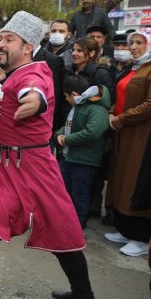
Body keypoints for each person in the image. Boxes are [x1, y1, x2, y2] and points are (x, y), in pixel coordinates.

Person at [0, 11, 94, 299]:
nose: (0, 44)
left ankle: (83, 294)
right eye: (0, 38)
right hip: (9, 168)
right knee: (57, 234)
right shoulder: (13, 73)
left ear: (27, 47)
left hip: (29, 171)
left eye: (9, 39)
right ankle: (83, 294)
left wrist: (34, 101)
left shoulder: (33, 74)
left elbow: (36, 92)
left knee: (60, 233)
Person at [105, 30, 151, 258]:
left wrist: (121, 119)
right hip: (123, 132)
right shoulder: (134, 68)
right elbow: (118, 96)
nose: (133, 47)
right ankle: (125, 229)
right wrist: (112, 113)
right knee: (122, 179)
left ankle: (141, 237)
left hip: (141, 136)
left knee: (135, 180)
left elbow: (150, 105)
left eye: (139, 42)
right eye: (131, 42)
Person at [56, 75, 110, 228]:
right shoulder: (77, 106)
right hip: (68, 158)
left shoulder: (97, 109)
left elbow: (92, 132)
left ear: (73, 94)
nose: (66, 100)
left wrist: (66, 140)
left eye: (66, 97)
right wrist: (59, 134)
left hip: (84, 162)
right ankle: (64, 223)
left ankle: (77, 226)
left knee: (79, 196)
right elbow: (67, 126)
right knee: (64, 193)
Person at [65, 37, 115, 104]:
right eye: (73, 50)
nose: (74, 53)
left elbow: (107, 99)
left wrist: (81, 99)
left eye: (79, 51)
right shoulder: (68, 70)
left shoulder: (100, 73)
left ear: (92, 53)